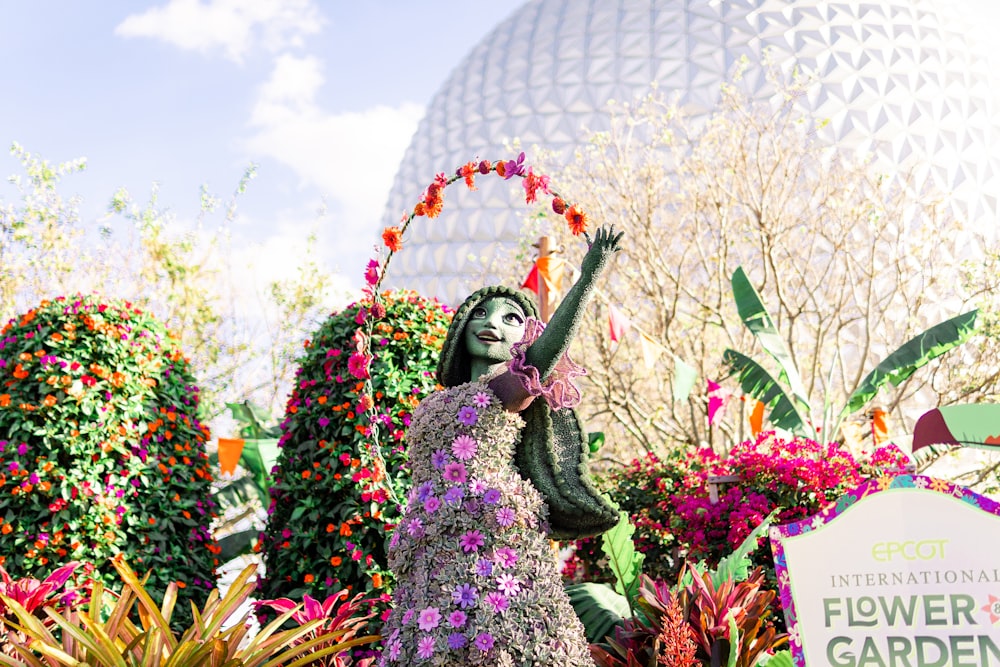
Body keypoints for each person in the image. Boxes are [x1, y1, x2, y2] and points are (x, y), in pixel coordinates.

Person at [379, 226, 623, 666]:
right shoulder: (435, 400)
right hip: (430, 541)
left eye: (511, 317)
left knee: (496, 640)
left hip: (491, 536)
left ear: (524, 337)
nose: (493, 323)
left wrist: (586, 279)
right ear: (462, 324)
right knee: (432, 639)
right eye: (483, 313)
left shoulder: (505, 390)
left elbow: (546, 353)